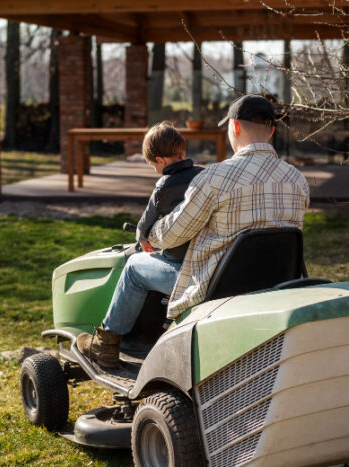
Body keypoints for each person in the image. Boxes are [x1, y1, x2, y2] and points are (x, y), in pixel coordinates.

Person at [77, 94, 310, 368]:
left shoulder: (215, 177)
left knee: (134, 268)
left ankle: (106, 345)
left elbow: (175, 233)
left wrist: (150, 234)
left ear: (234, 127)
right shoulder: (297, 180)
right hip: (274, 284)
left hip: (215, 286)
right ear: (271, 131)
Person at [136, 121, 203, 259]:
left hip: (176, 255)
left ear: (160, 161)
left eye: (152, 164)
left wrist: (142, 239)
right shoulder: (203, 176)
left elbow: (145, 223)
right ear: (182, 152)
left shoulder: (163, 187)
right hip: (203, 252)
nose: (155, 170)